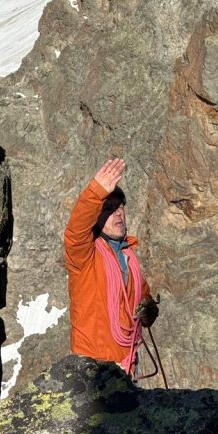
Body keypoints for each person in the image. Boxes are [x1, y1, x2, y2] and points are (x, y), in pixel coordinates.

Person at [64, 157, 158, 375]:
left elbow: (142, 299)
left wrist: (150, 309)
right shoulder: (85, 258)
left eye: (120, 207)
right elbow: (75, 233)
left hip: (127, 365)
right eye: (109, 208)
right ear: (97, 217)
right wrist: (95, 192)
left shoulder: (129, 257)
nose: (118, 213)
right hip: (92, 370)